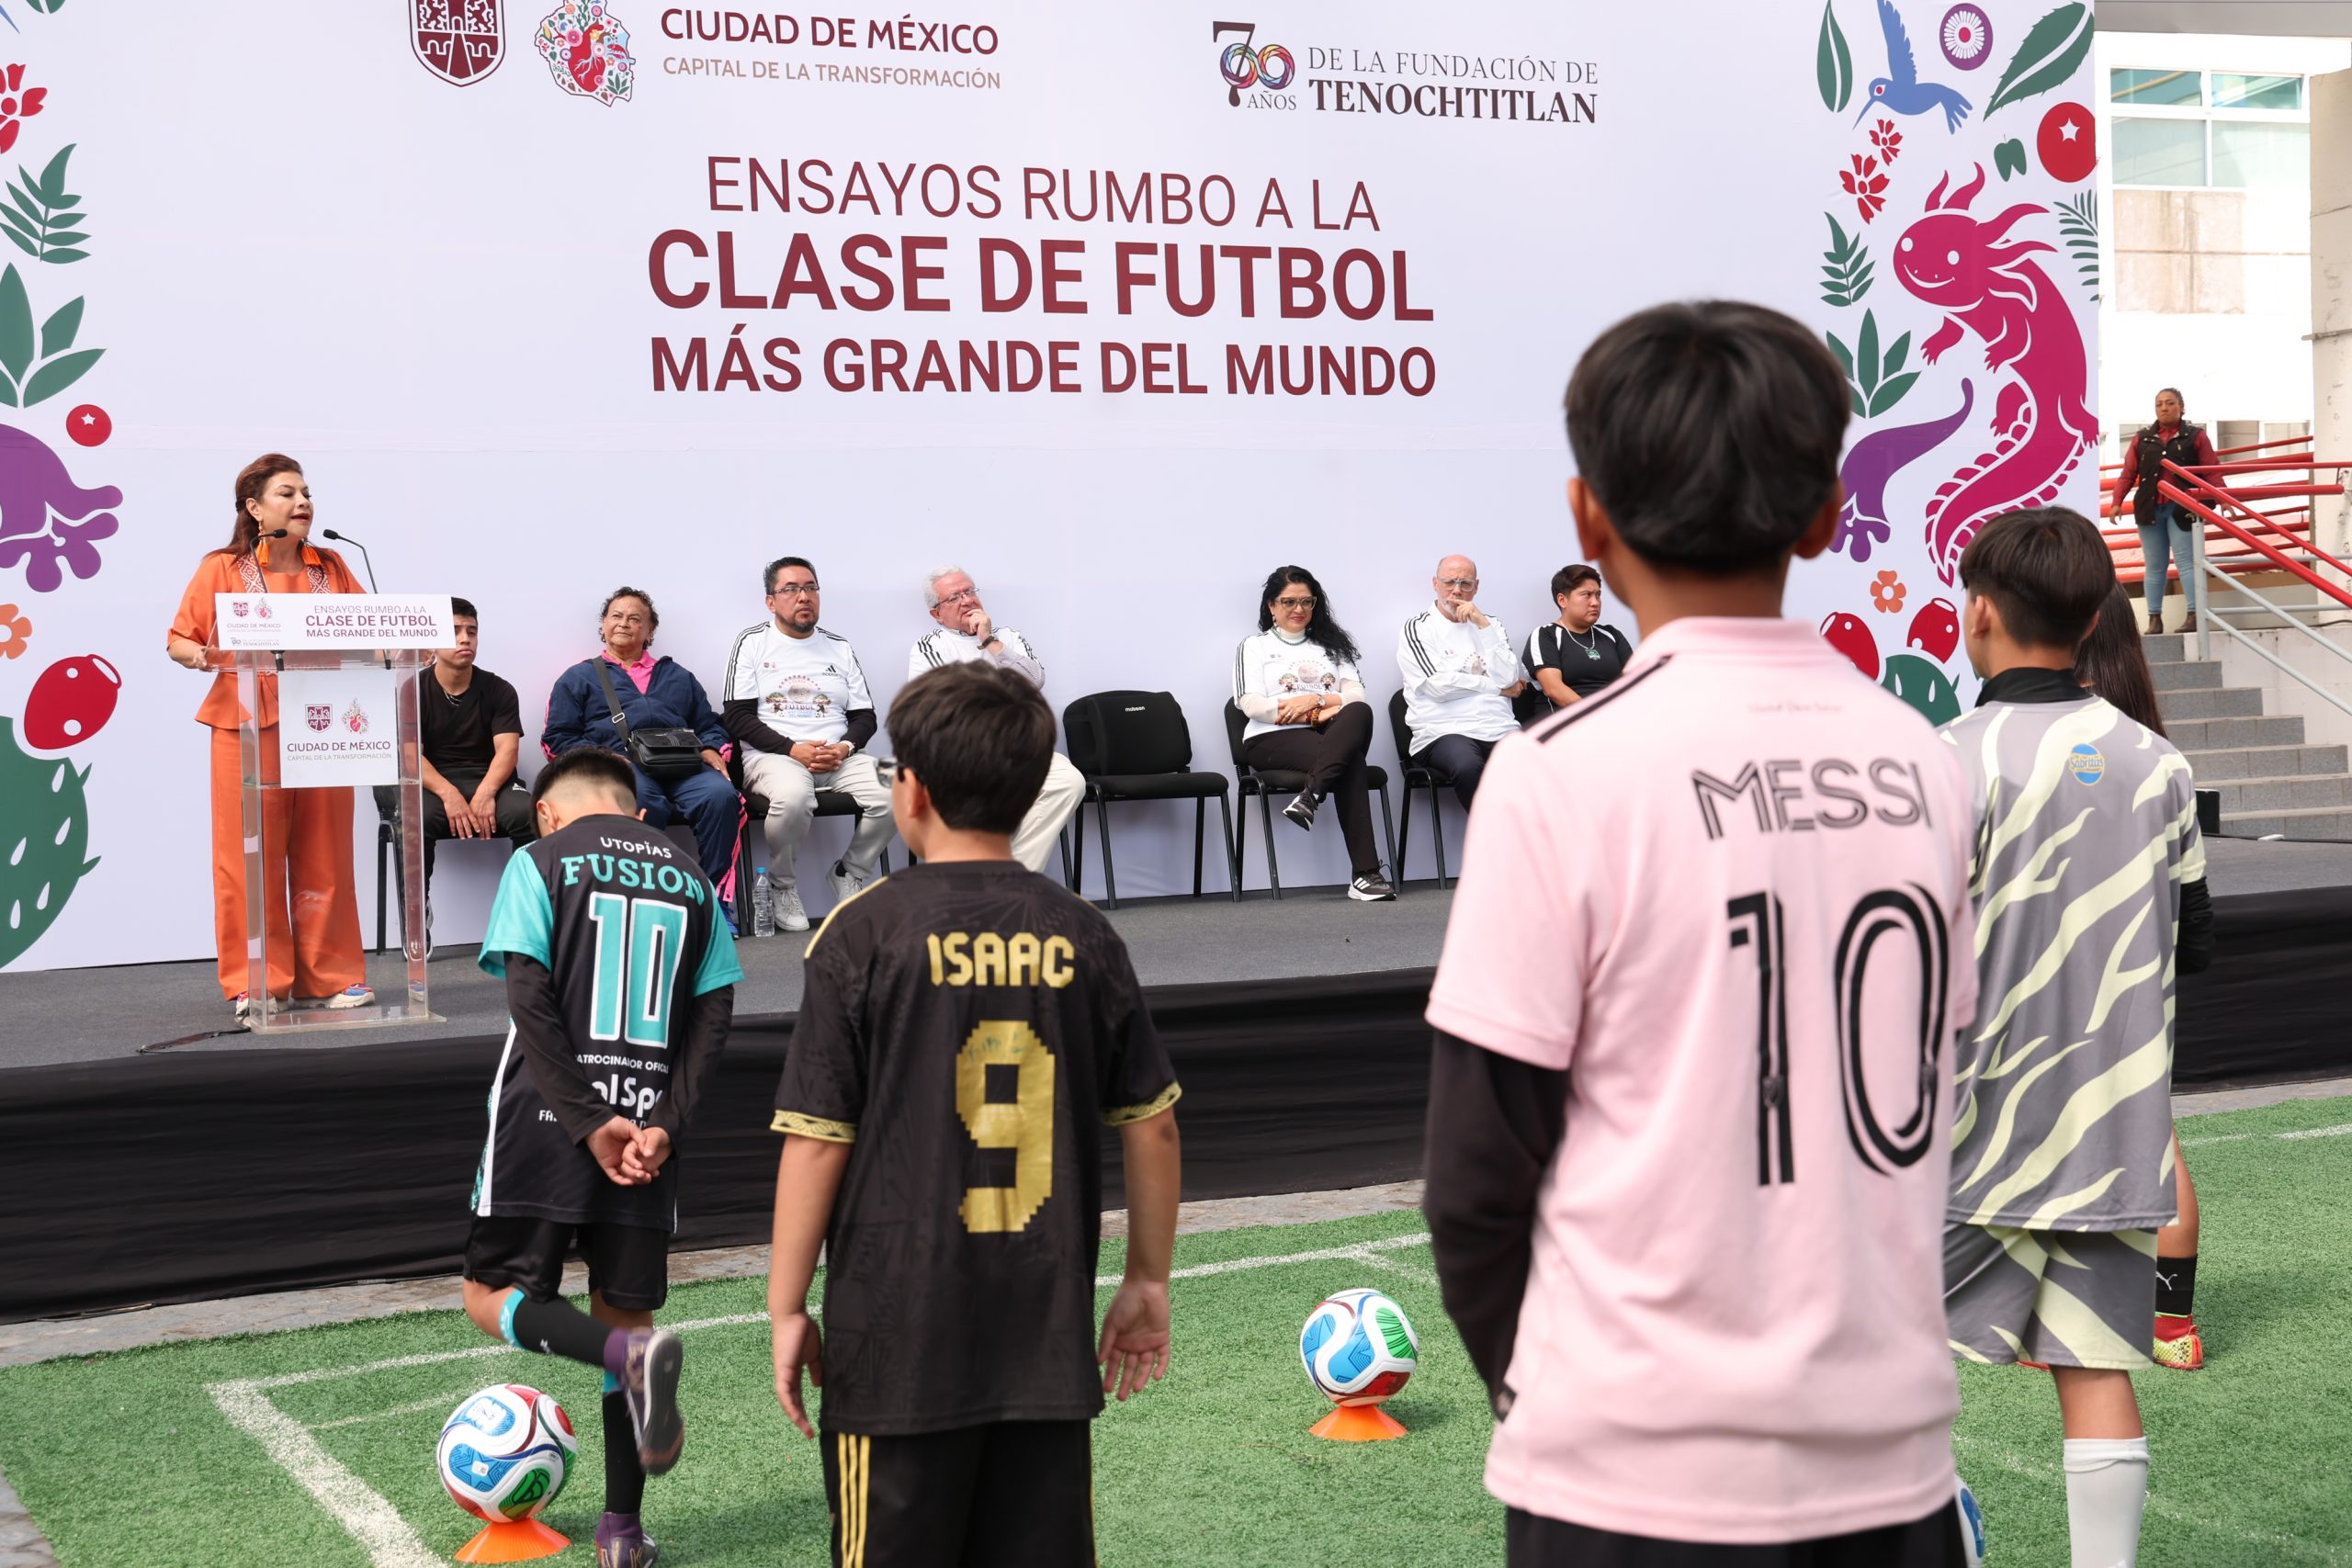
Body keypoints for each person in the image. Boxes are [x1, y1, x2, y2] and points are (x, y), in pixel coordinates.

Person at [1422, 300, 1980, 1563]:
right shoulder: (1925, 759)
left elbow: (1473, 1178)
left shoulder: (1559, 768)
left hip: (1627, 1476)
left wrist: (1555, 1397)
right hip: (1892, 1468)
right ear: (1831, 512)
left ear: (1587, 518)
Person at [767, 660, 1182, 1568]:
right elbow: (1150, 1122)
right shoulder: (1084, 932)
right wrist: (1147, 1280)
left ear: (908, 788)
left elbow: (815, 1138)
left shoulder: (863, 933)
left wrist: (786, 1302)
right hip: (1044, 1342)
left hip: (893, 1349)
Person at [1940, 509, 2212, 1568]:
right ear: (2098, 612)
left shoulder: (1938, 762)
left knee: (1859, 1357)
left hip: (1967, 1139)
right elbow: (2191, 946)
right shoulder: (2161, 766)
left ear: (1977, 612)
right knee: (2093, 1372)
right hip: (2110, 1135)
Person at [458, 747, 742, 1568]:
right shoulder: (691, 876)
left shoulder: (538, 859)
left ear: (548, 810)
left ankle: (626, 1358)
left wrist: (585, 1120)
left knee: (489, 1294)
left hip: (544, 1129)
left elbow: (528, 996)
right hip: (650, 1133)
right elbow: (713, 1015)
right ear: (637, 812)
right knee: (628, 1308)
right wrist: (666, 1124)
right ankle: (621, 1534)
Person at [164, 453, 372, 1019]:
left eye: (306, 491)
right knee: (248, 856)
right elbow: (180, 639)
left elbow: (372, 634)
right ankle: (257, 980)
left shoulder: (331, 566)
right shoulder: (223, 568)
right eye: (287, 493)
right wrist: (200, 656)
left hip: (326, 723)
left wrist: (407, 646)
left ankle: (329, 976)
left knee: (326, 852)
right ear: (255, 508)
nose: (303, 502)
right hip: (246, 723)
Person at [2067, 579, 2212, 1373]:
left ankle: (2056, 1319)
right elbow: (2198, 912)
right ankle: (2172, 1326)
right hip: (2142, 977)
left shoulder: (2028, 742)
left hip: (2053, 980)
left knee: (2050, 1142)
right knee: (2156, 1136)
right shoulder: (2159, 754)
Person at [722, 557, 894, 933]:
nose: (804, 596)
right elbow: (736, 717)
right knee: (794, 796)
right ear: (771, 601)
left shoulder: (839, 647)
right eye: (792, 589)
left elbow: (865, 716)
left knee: (899, 788)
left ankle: (849, 872)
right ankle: (783, 884)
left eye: (811, 587)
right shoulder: (752, 643)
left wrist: (846, 747)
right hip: (773, 757)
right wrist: (790, 748)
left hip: (839, 756)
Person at [543, 588, 740, 905]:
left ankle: (714, 901)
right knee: (641, 799)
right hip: (622, 766)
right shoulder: (579, 677)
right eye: (616, 616)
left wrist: (712, 748)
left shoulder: (678, 675)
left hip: (683, 765)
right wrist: (602, 763)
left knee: (720, 796)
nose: (624, 624)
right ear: (603, 625)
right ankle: (645, 900)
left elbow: (709, 724)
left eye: (635, 619)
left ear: (649, 631)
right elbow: (557, 739)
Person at [372, 596, 536, 947]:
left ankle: (525, 912)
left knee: (528, 814)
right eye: (455, 631)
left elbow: (507, 751)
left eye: (471, 632)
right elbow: (411, 756)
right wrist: (449, 795)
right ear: (432, 640)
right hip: (433, 782)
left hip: (489, 779)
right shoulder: (411, 688)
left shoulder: (499, 689)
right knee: (416, 819)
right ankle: (417, 914)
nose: (466, 639)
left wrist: (485, 794)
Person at [907, 565, 1086, 875]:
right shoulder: (930, 647)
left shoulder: (1008, 638)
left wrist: (989, 642)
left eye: (970, 591)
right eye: (954, 597)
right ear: (937, 613)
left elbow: (1034, 681)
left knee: (1068, 781)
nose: (967, 601)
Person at [1232, 565, 1396, 901]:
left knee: (1360, 713)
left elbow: (1357, 698)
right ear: (1271, 606)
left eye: (1307, 602)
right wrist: (1318, 709)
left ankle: (1311, 795)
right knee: (1350, 763)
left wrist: (1315, 699)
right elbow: (1250, 704)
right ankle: (1366, 875)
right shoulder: (1254, 646)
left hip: (1329, 735)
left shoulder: (1333, 646)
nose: (1298, 609)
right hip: (1271, 738)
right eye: (1289, 601)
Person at [1396, 554, 1526, 805]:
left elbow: (1509, 677)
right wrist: (1497, 689)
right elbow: (1437, 687)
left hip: (1499, 728)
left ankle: (1527, 841)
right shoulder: (1418, 628)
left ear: (1476, 587)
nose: (1457, 591)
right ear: (1435, 583)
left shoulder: (1492, 625)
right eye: (1449, 582)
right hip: (1443, 731)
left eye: (1465, 584)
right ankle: (1493, 840)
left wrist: (1482, 626)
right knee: (1468, 766)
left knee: (1535, 764)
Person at [2108, 387, 2218, 636]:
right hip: (2150, 508)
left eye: (2170, 403)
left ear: (2182, 406)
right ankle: (2154, 619)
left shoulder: (2196, 436)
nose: (2164, 408)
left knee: (2187, 563)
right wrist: (2117, 500)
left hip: (2184, 508)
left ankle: (2193, 615)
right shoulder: (2142, 438)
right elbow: (2128, 473)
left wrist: (2222, 497)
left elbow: (2211, 469)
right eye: (2159, 404)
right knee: (2155, 566)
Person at [1523, 564, 1634, 712]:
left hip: (1617, 718)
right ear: (1562, 600)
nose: (1595, 602)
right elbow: (1554, 689)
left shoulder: (1612, 635)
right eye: (1587, 595)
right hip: (1568, 723)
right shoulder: (1545, 635)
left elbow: (1635, 681)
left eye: (1598, 595)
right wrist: (1598, 716)